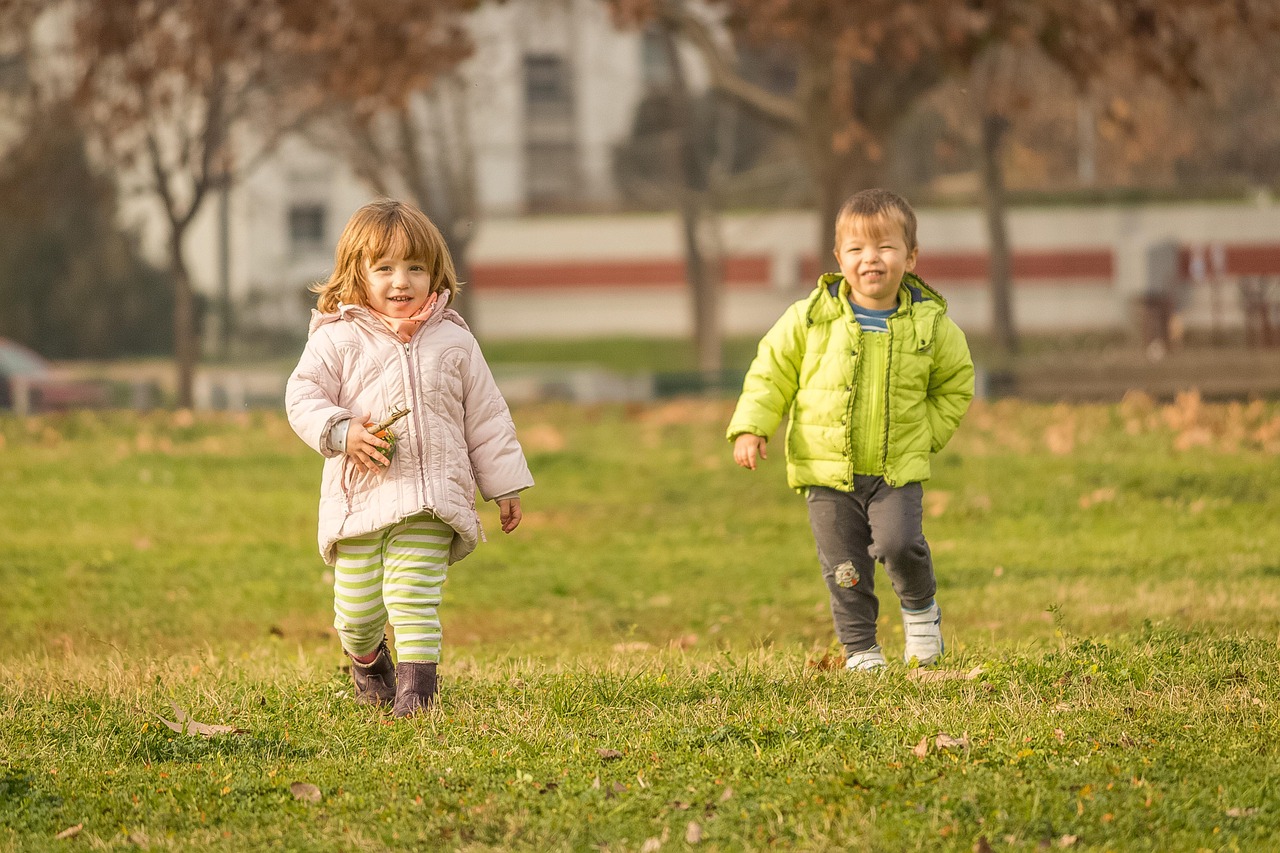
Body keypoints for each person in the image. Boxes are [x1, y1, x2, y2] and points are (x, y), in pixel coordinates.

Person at [286, 199, 533, 716]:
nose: (402, 281)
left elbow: (486, 417)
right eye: (385, 268)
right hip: (360, 501)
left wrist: (504, 485)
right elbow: (302, 397)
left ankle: (418, 696)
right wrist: (341, 431)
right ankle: (370, 662)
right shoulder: (337, 338)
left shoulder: (455, 341)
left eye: (415, 268)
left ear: (435, 273)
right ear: (358, 273)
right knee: (355, 614)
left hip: (430, 500)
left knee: (413, 597)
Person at [727, 188, 974, 671]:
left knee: (901, 546)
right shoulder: (811, 318)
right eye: (857, 249)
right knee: (845, 569)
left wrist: (924, 436)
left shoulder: (931, 325)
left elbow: (956, 385)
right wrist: (752, 427)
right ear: (839, 258)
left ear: (911, 256)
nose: (871, 260)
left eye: (885, 247)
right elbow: (770, 372)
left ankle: (922, 618)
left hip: (895, 471)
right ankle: (861, 650)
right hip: (826, 472)